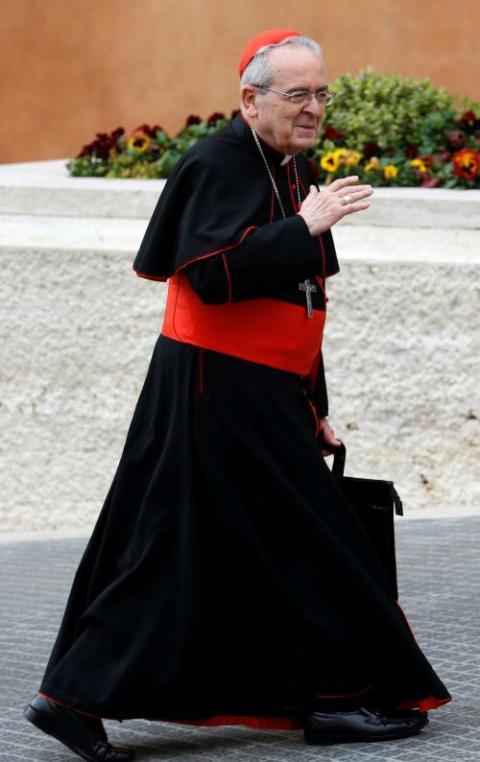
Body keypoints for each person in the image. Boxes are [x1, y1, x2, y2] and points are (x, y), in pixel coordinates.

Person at [25, 29, 451, 761]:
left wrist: (312, 402)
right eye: (298, 95)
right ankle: (80, 698)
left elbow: (305, 298)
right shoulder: (215, 162)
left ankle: (327, 699)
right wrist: (305, 225)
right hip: (212, 389)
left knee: (266, 546)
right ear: (249, 100)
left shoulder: (289, 164)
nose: (314, 107)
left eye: (321, 93)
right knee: (218, 546)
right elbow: (214, 279)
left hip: (264, 392)